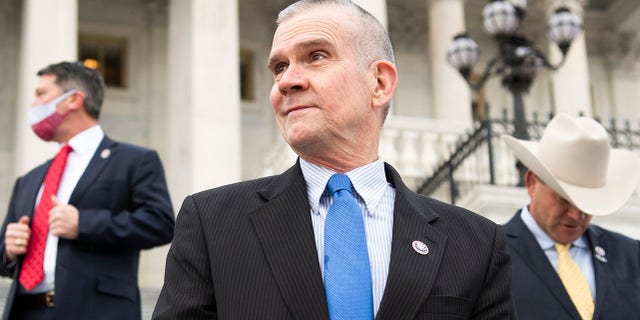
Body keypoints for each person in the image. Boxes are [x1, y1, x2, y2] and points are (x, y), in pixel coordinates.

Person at [152, 0, 514, 319]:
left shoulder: (477, 243)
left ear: (380, 83)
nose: (286, 81)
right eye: (279, 67)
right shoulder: (212, 224)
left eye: (316, 56)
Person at [0, 61, 175, 320]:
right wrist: (9, 248)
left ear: (73, 100)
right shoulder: (29, 179)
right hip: (26, 311)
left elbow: (160, 223)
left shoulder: (134, 161)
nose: (33, 104)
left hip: (96, 310)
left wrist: (84, 224)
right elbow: (4, 255)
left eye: (41, 94)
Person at [502, 113, 640, 319]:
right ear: (532, 182)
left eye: (588, 204)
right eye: (564, 199)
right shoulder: (491, 255)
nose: (576, 215)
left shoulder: (630, 255)